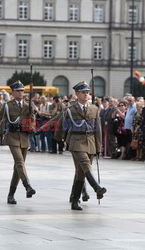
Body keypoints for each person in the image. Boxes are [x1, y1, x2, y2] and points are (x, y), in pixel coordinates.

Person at [0, 81, 36, 205]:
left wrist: (31, 121)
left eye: (22, 90)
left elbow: (32, 119)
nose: (21, 93)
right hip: (13, 137)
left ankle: (11, 195)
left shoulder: (28, 105)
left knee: (17, 168)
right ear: (13, 92)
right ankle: (28, 186)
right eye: (18, 91)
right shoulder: (7, 106)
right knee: (19, 162)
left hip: (24, 137)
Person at [54, 81, 107, 211]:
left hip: (90, 141)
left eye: (87, 92)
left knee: (80, 173)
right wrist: (59, 139)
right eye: (83, 92)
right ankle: (96, 187)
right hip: (76, 140)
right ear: (77, 94)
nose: (86, 94)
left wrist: (98, 145)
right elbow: (61, 125)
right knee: (85, 164)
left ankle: (75, 200)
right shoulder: (70, 109)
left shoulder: (94, 109)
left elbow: (97, 129)